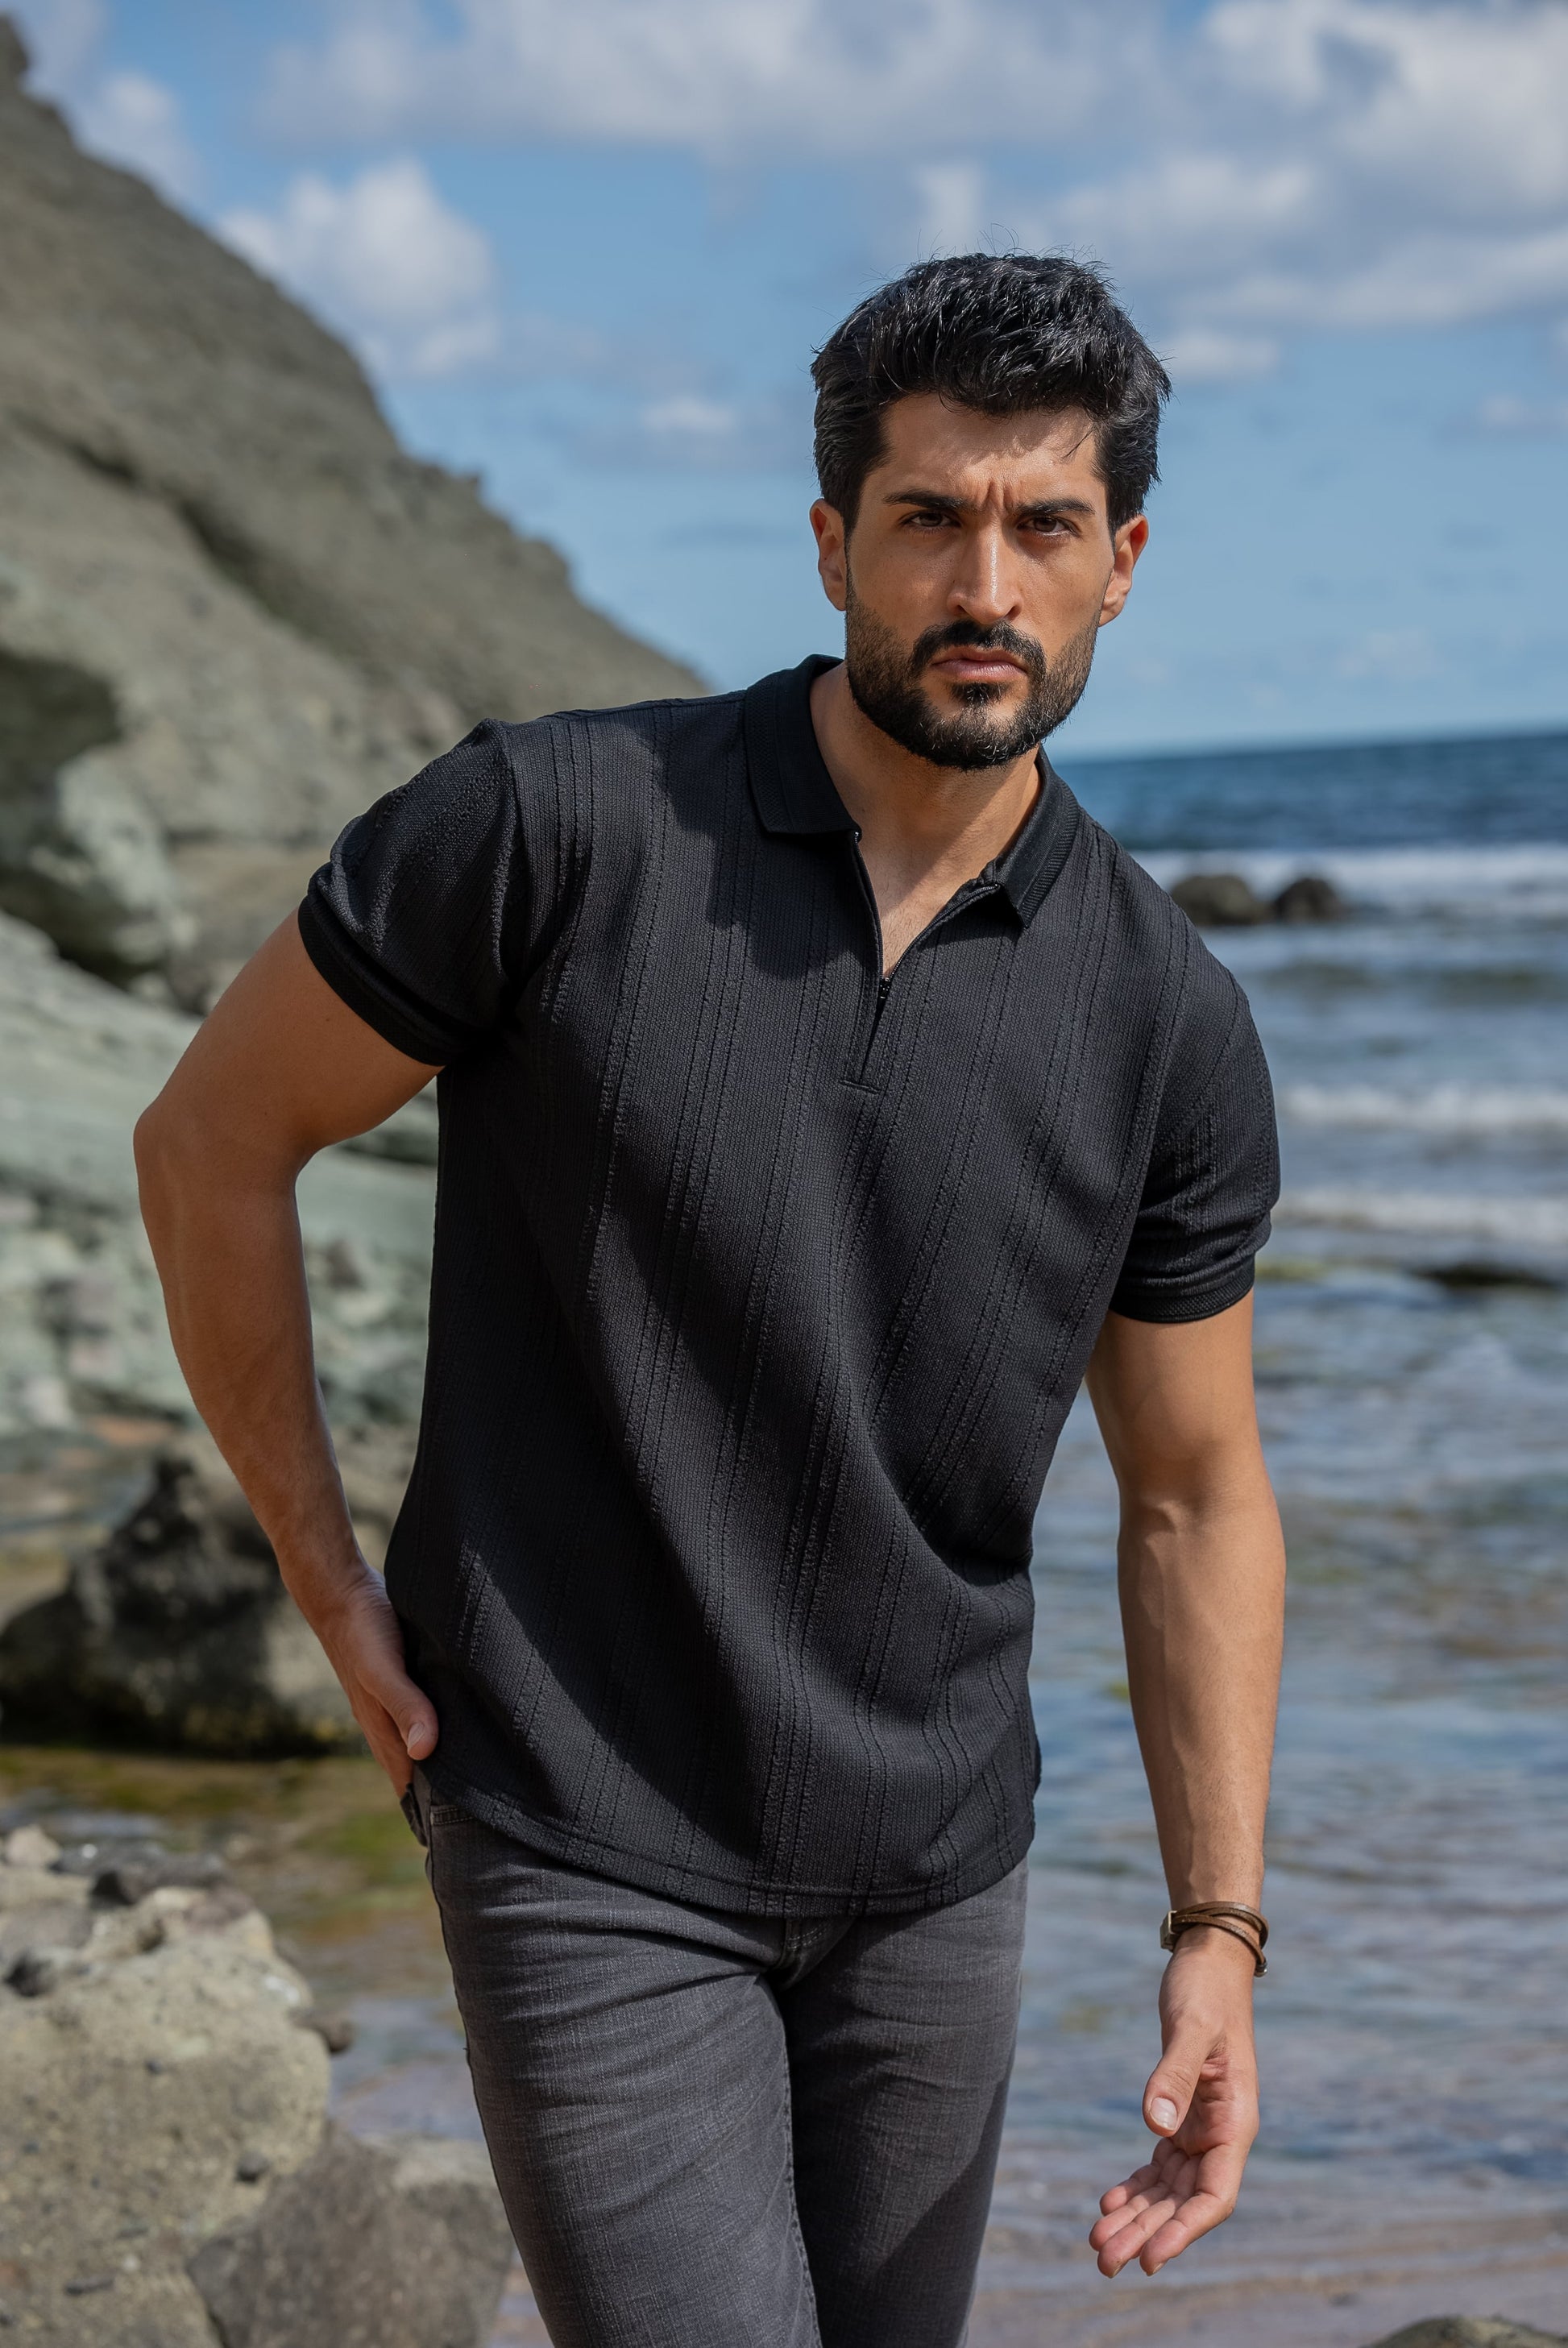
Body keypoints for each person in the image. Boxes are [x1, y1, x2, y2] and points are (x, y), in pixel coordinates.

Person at [135, 254, 1285, 2348]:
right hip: (582, 1829)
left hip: (936, 1871)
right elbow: (209, 1141)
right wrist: (321, 1575)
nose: (982, 580)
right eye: (926, 515)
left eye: (1039, 527)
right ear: (833, 537)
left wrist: (1217, 1928)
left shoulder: (1163, 1015)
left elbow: (1195, 1491)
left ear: (1118, 564)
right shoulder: (553, 833)